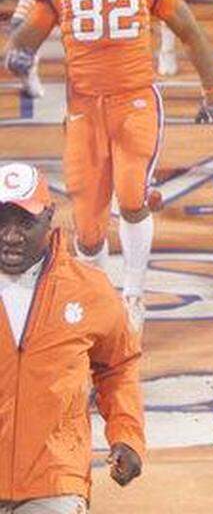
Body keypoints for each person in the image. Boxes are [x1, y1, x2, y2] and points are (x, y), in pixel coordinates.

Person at [4, 0, 213, 333]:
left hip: (135, 100)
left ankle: (135, 295)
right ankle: (101, 300)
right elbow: (27, 35)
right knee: (87, 227)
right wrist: (19, 51)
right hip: (84, 109)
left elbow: (190, 31)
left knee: (131, 197)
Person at [0, 161, 145, 511]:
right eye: (1, 221)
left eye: (24, 221)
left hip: (54, 479)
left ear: (49, 218)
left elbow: (118, 366)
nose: (10, 235)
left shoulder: (88, 289)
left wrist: (126, 434)